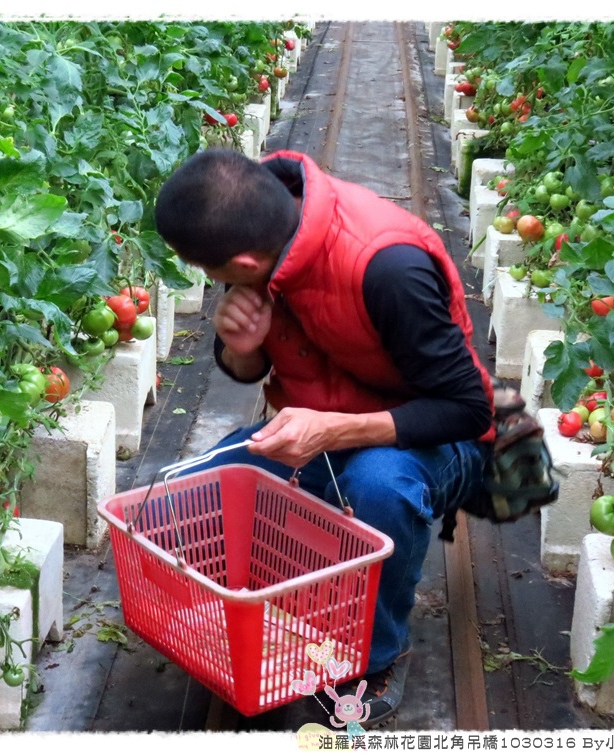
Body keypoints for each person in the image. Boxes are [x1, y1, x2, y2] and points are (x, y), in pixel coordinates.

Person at [153, 148, 496, 727]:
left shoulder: (387, 267)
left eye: (214, 275)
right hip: (321, 430)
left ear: (240, 259)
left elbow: (469, 409)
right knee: (183, 502)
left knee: (379, 488)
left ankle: (377, 656)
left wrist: (336, 430)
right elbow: (249, 371)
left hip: (436, 442)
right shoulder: (258, 220)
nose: (213, 284)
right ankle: (284, 600)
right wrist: (244, 348)